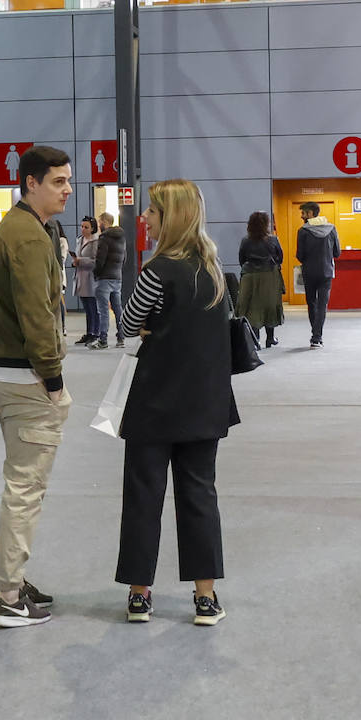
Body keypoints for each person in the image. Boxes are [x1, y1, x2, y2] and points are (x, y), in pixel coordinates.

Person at [115, 179, 239, 627]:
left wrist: (149, 330)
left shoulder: (156, 271)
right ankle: (205, 596)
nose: (145, 217)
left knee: (144, 496)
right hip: (205, 404)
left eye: (152, 210)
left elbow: (128, 324)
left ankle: (139, 593)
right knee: (200, 494)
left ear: (172, 217)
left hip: (154, 404)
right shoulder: (213, 271)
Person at [0, 145, 73, 628]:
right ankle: (8, 596)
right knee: (25, 487)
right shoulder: (30, 238)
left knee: (23, 483)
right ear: (31, 183)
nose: (68, 190)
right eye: (58, 181)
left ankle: (12, 580)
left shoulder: (17, 228)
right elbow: (37, 313)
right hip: (25, 375)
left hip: (5, 370)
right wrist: (54, 378)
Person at [237, 211, 284, 349]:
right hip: (269, 276)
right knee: (269, 306)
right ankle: (270, 339)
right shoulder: (273, 239)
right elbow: (280, 258)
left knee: (253, 307)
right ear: (267, 224)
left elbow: (241, 259)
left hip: (249, 276)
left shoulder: (245, 240)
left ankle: (255, 340)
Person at [295, 202, 340, 348]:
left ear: (311, 214)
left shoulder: (302, 231)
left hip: (309, 272)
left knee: (311, 304)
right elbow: (337, 253)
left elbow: (299, 255)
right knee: (322, 305)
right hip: (326, 272)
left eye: (303, 213)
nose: (302, 216)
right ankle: (317, 337)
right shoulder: (332, 229)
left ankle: (315, 334)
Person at [91, 211, 126, 349]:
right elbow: (124, 258)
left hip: (104, 278)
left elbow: (100, 260)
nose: (99, 225)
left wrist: (96, 273)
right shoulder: (122, 237)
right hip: (117, 277)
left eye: (100, 222)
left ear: (105, 222)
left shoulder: (104, 238)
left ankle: (103, 340)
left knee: (103, 310)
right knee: (118, 309)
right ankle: (121, 338)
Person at [71, 215, 100, 347]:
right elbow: (78, 256)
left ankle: (95, 333)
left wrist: (80, 261)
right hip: (80, 276)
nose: (83, 229)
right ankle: (89, 332)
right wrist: (75, 262)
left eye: (86, 227)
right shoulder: (80, 240)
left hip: (90, 277)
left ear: (93, 228)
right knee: (86, 308)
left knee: (93, 307)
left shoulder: (96, 241)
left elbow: (96, 262)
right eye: (82, 226)